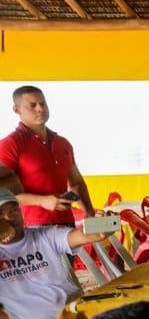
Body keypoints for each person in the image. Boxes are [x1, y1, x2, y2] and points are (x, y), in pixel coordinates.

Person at [0, 189, 109, 319]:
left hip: (74, 317)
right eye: (0, 214)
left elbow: (82, 236)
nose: (10, 217)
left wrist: (102, 227)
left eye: (13, 210)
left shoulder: (44, 235)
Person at [0, 85, 95, 225]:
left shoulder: (63, 143)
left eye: (43, 103)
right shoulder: (10, 144)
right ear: (16, 109)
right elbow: (2, 190)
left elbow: (76, 182)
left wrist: (90, 213)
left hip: (68, 224)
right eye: (32, 105)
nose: (40, 109)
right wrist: (42, 201)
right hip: (32, 227)